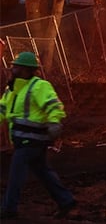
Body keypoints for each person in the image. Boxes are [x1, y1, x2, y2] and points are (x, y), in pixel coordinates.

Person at [0, 52, 77, 219]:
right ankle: (66, 201)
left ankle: (9, 208)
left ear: (26, 69)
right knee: (42, 171)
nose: (12, 68)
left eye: (16, 66)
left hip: (32, 139)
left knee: (16, 173)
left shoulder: (39, 86)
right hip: (23, 140)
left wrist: (55, 123)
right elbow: (2, 110)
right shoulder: (12, 88)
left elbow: (53, 106)